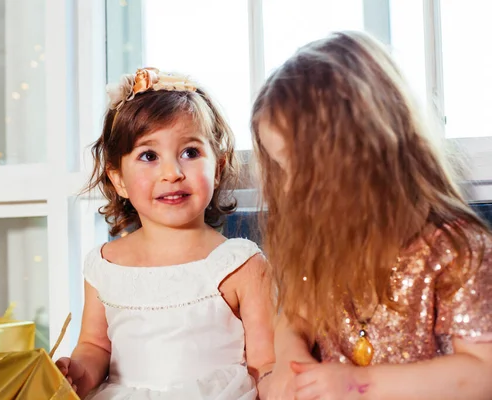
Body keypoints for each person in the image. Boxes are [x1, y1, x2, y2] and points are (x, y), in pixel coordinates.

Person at [252, 31, 492, 399]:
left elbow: (482, 373)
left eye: (302, 168)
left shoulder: (458, 251)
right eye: (283, 171)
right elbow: (295, 316)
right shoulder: (326, 246)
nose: (287, 189)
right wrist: (290, 356)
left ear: (369, 154)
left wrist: (357, 384)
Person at [57, 67, 276, 399]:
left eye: (190, 153)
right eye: (149, 156)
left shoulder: (240, 263)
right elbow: (94, 345)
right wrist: (79, 375)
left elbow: (266, 364)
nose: (172, 173)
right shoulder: (105, 265)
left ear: (217, 169)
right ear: (118, 180)